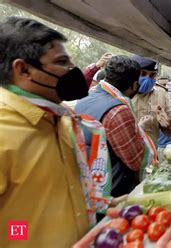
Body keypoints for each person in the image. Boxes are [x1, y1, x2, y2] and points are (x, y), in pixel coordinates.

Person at [0, 17, 122, 247]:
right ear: (24, 69)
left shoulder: (61, 120)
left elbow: (51, 193)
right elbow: (14, 223)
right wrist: (20, 235)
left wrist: (110, 203)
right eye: (62, 61)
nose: (72, 70)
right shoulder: (4, 130)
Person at [75, 55, 158, 197]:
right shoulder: (118, 111)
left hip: (86, 185)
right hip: (112, 191)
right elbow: (135, 161)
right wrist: (139, 129)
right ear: (133, 84)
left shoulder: (86, 98)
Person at [130, 54, 171, 143]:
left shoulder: (161, 93)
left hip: (152, 151)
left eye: (152, 75)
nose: (147, 79)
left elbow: (168, 132)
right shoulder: (125, 94)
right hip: (130, 151)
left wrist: (167, 124)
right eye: (143, 74)